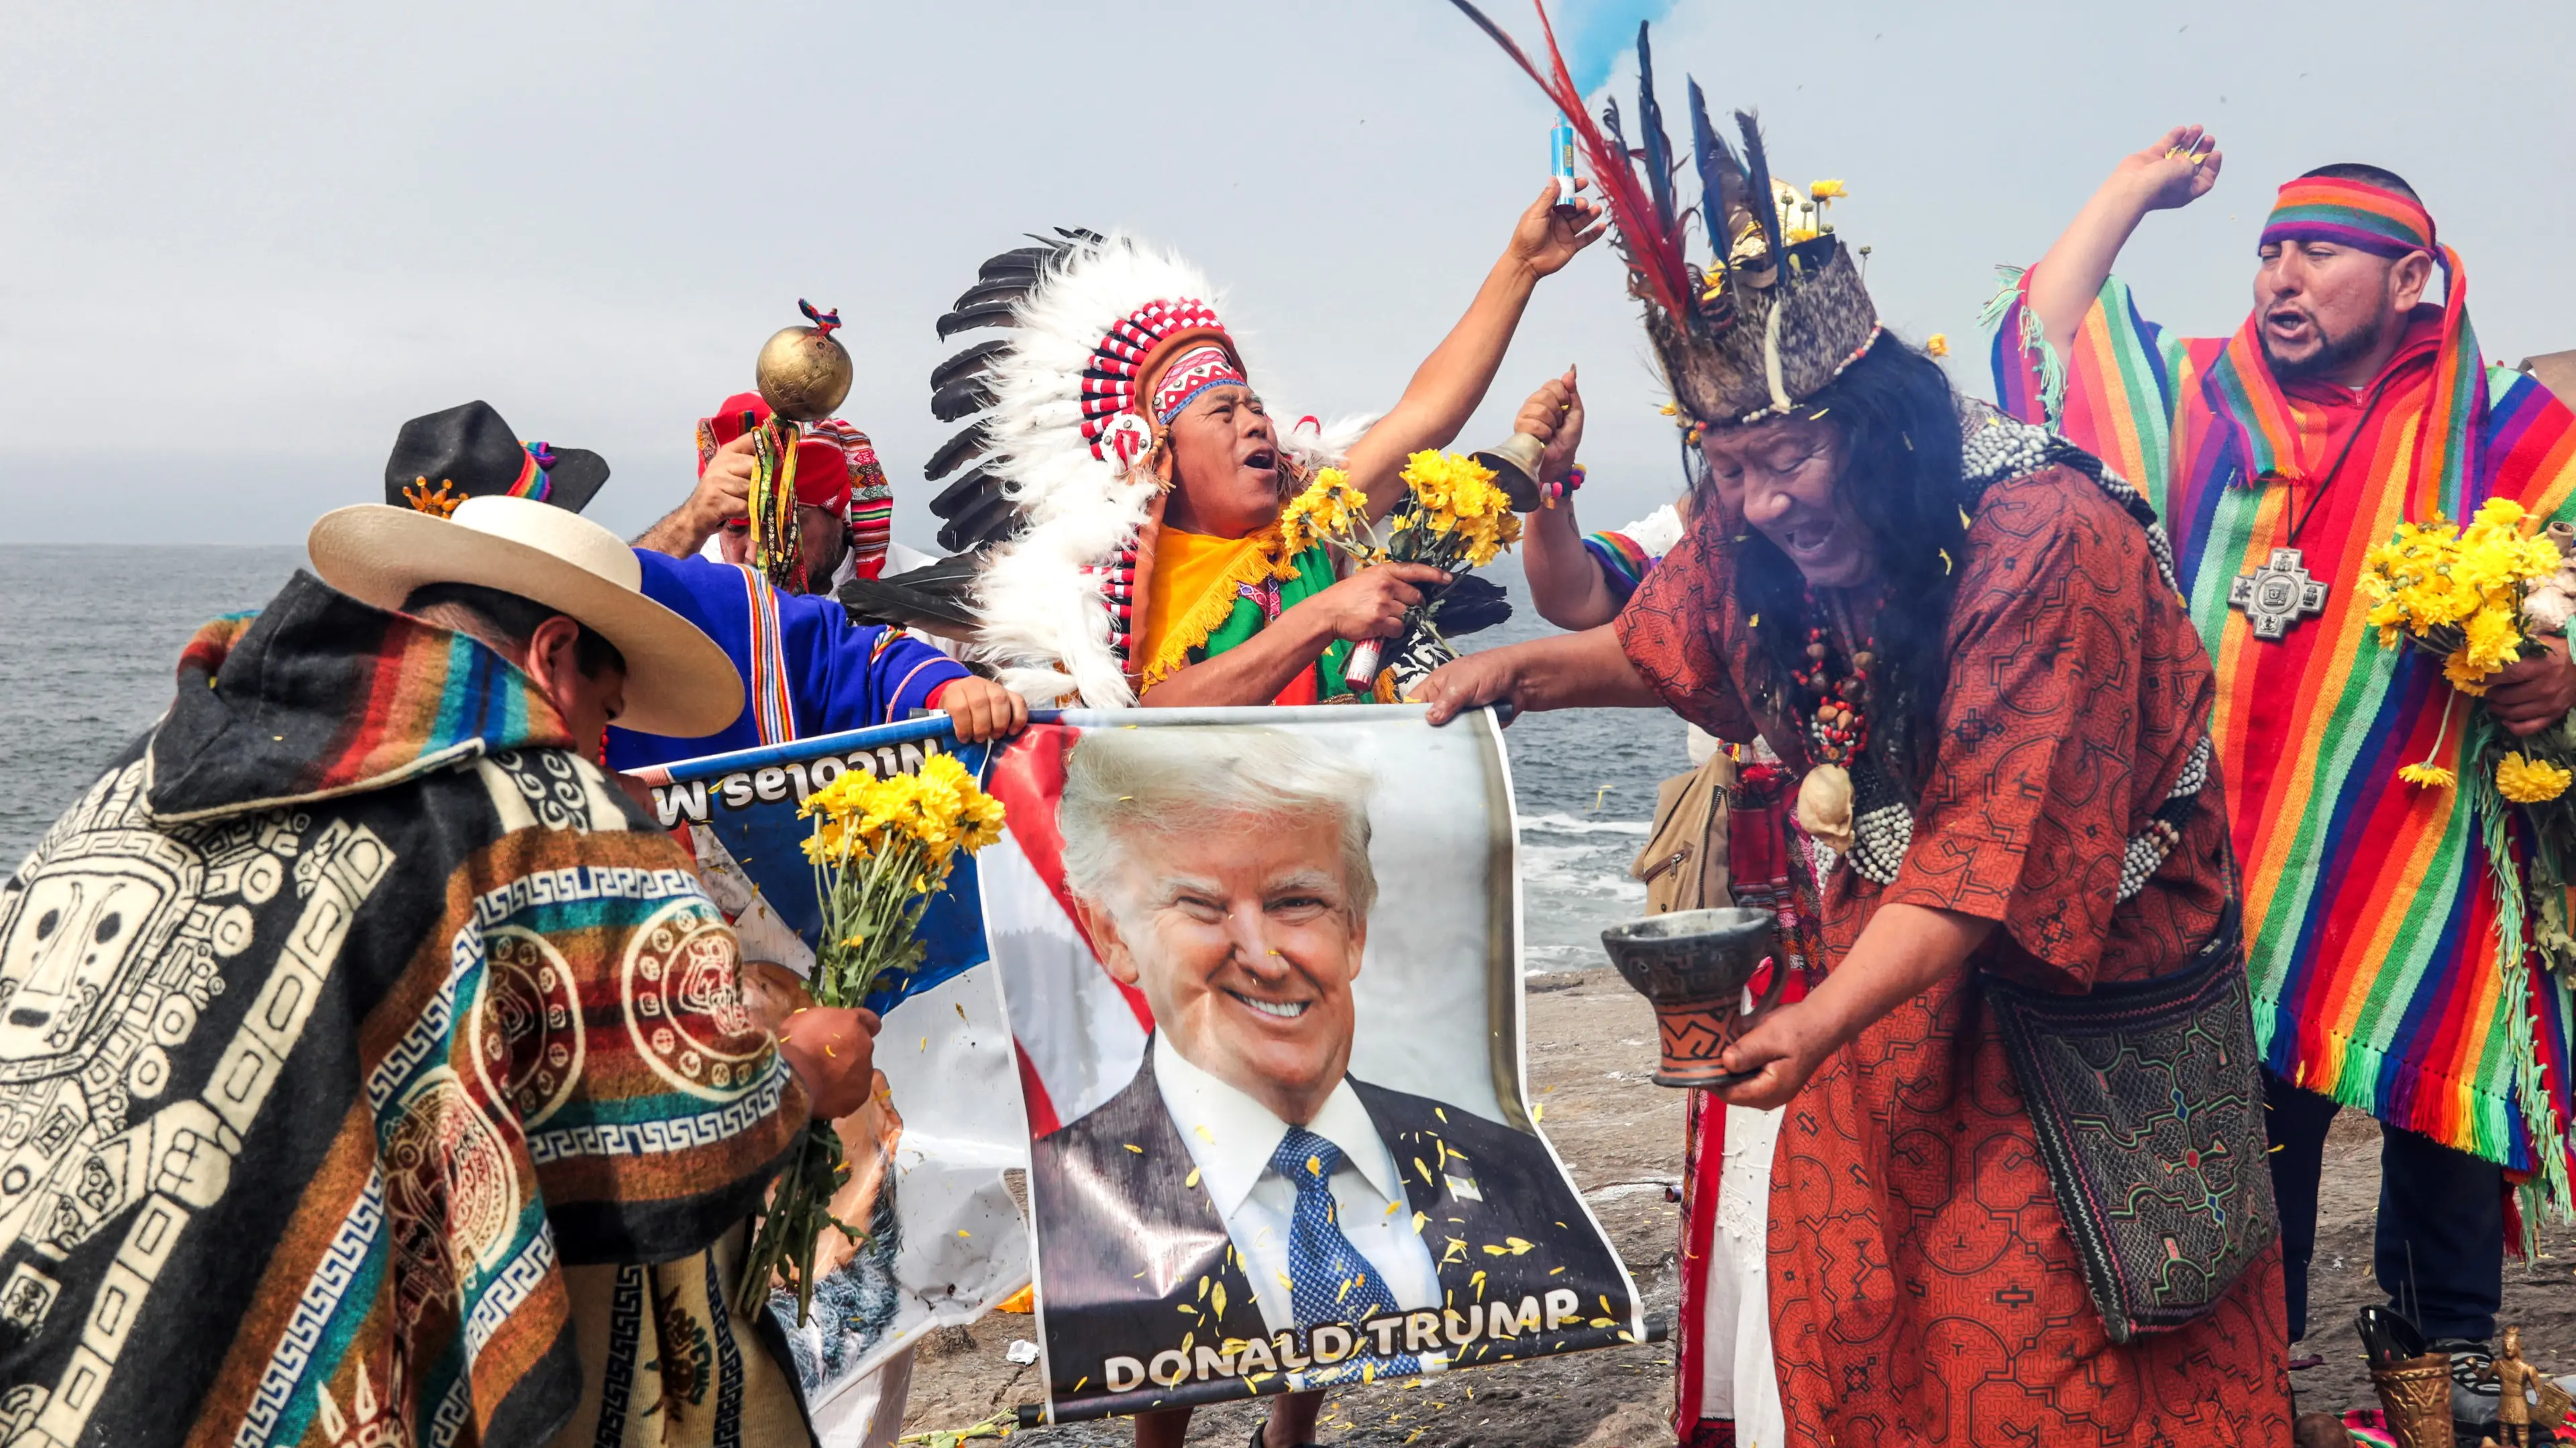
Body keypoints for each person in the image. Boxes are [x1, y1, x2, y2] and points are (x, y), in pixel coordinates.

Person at [1415, 36, 2291, 1442]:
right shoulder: (1759, 513)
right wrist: (1519, 669)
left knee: (2060, 1350)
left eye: (1787, 458)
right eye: (1729, 467)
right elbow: (1677, 638)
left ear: (1880, 428)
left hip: (2083, 1002)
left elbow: (1990, 843)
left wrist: (1815, 1020)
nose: (1759, 501)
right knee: (1864, 1320)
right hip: (1890, 988)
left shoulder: (2041, 536)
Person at [0, 490, 881, 1448]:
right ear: (553, 655)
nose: (599, 751)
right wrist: (806, 1069)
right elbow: (698, 1129)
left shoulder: (143, 772)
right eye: (604, 713)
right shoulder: (538, 806)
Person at [1990, 129, 2576, 1373]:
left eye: (2317, 253)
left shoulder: (2505, 427)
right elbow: (2044, 346)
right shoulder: (2196, 398)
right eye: (2268, 252)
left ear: (2411, 279)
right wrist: (2131, 190)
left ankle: (2448, 1373)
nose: (2281, 278)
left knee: (2446, 1099)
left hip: (2430, 856)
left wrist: (2562, 671)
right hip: (2219, 853)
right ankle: (2256, 1375)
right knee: (2246, 1134)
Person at [1025, 727, 1619, 1410]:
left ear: (1355, 927)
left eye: (1295, 902)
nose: (1264, 956)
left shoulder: (1503, 1166)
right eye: (1202, 906)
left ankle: (1292, 1430)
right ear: (1111, 933)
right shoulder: (1077, 1195)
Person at [919, 185, 1602, 715]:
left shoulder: (1306, 525)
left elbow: (1427, 414)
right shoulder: (1106, 588)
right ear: (1163, 457)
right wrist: (1322, 617)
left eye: (1256, 408)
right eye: (1223, 412)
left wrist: (1521, 266)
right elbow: (1142, 722)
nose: (1256, 424)